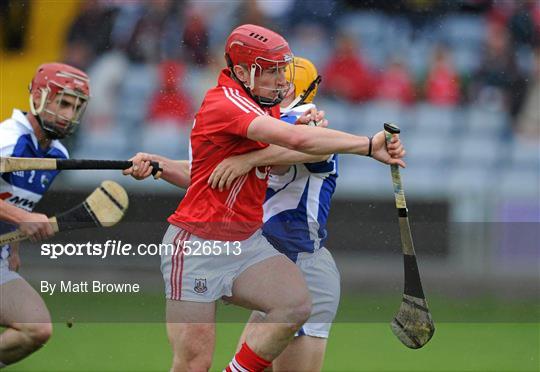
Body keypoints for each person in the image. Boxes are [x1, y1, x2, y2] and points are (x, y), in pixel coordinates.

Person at [124, 24, 405, 372]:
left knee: (295, 304)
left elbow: (228, 166)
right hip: (199, 245)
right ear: (242, 72)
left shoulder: (265, 108)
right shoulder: (226, 103)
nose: (280, 80)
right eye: (270, 71)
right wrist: (366, 145)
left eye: (280, 71)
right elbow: (295, 143)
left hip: (248, 244)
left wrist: (162, 165)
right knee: (194, 362)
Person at [0, 63, 90, 368]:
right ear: (38, 98)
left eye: (77, 107)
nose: (70, 114)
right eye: (63, 103)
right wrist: (20, 217)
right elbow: (16, 210)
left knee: (35, 329)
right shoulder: (8, 140)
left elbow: (14, 200)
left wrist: (13, 245)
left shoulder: (57, 155)